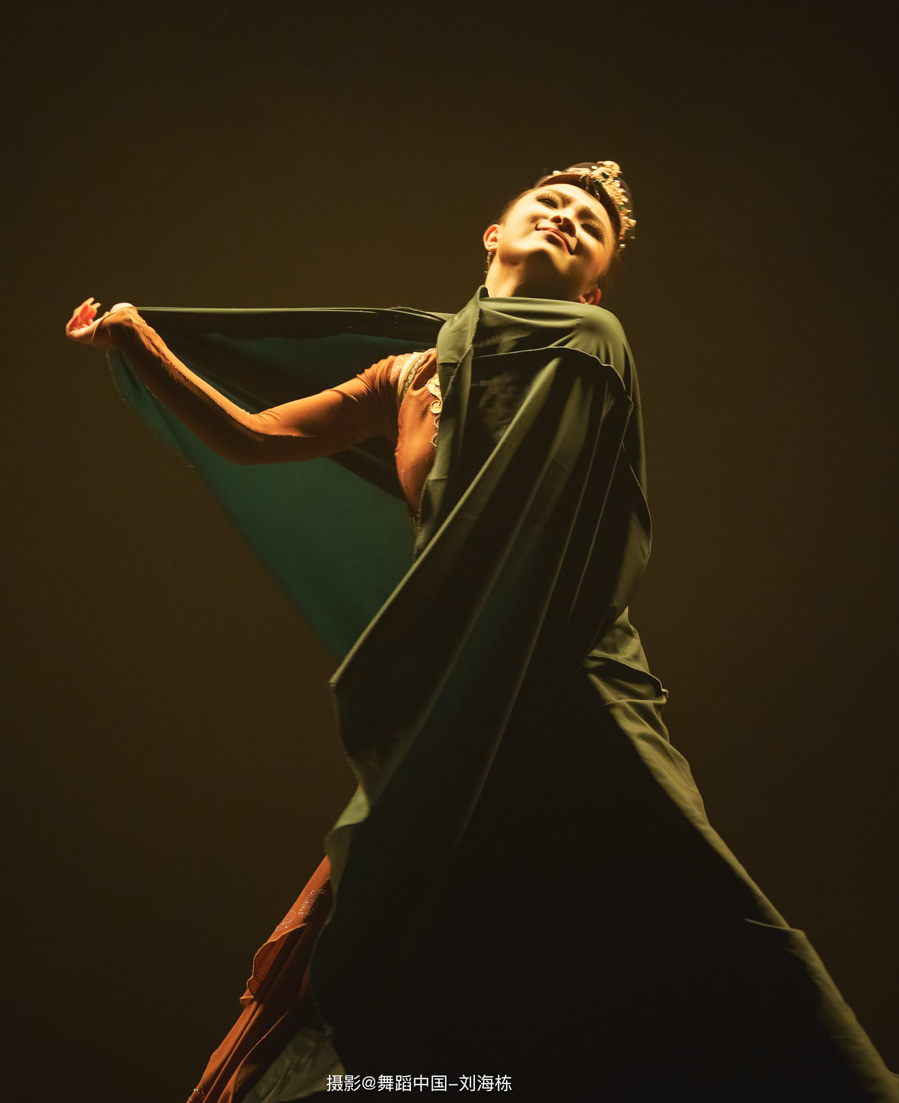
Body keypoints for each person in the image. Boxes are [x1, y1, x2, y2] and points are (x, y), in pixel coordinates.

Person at [66, 163, 896, 1102]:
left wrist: (442, 654)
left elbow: (534, 524)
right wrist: (137, 339)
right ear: (493, 234)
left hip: (570, 689)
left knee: (702, 922)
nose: (567, 216)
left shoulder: (589, 342)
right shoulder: (408, 375)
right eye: (550, 202)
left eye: (590, 226)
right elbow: (255, 436)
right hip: (464, 683)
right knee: (454, 956)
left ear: (592, 286)